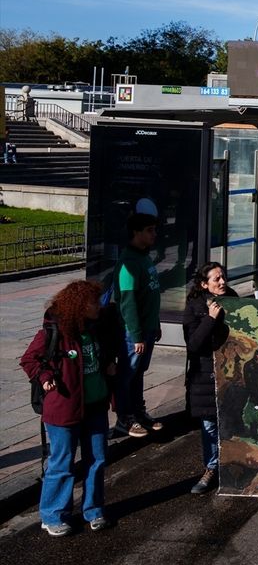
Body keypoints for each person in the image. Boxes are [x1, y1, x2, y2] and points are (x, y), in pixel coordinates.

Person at [21, 280, 120, 536]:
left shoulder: (97, 328)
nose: (98, 306)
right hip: (64, 408)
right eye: (93, 302)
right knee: (62, 462)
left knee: (96, 460)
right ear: (79, 306)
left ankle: (94, 510)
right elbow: (29, 359)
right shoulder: (55, 331)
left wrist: (109, 363)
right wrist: (44, 376)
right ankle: (53, 515)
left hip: (95, 406)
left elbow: (102, 353)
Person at [182, 262, 238, 495]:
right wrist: (210, 319)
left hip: (230, 370)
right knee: (209, 425)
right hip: (205, 374)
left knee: (231, 421)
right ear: (205, 284)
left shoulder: (232, 298)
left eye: (223, 277)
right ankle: (212, 468)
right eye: (217, 279)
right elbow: (194, 344)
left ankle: (232, 466)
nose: (222, 282)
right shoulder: (195, 306)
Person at [114, 212, 163, 438]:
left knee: (139, 372)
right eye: (149, 230)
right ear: (136, 232)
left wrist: (155, 324)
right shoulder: (128, 263)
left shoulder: (144, 257)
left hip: (148, 328)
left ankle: (138, 411)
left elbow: (150, 297)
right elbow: (128, 302)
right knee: (127, 373)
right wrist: (135, 335)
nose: (154, 234)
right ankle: (125, 416)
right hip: (134, 332)